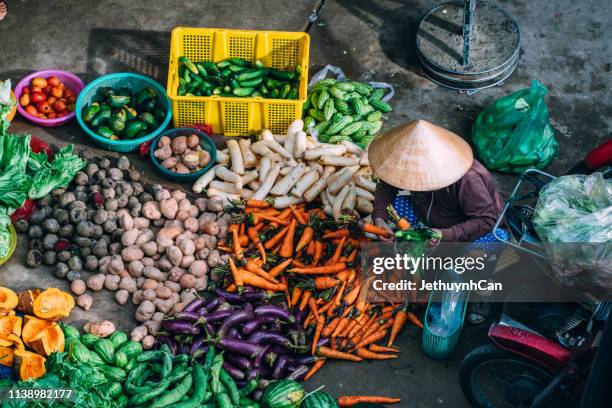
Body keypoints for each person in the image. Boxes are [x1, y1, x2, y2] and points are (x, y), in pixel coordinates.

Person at [368, 119, 510, 324]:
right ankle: (425, 259)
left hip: (472, 226)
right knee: (396, 207)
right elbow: (386, 186)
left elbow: (486, 220)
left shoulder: (468, 179)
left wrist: (445, 234)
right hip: (431, 215)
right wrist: (379, 218)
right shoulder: (407, 164)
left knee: (493, 242)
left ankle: (481, 292)